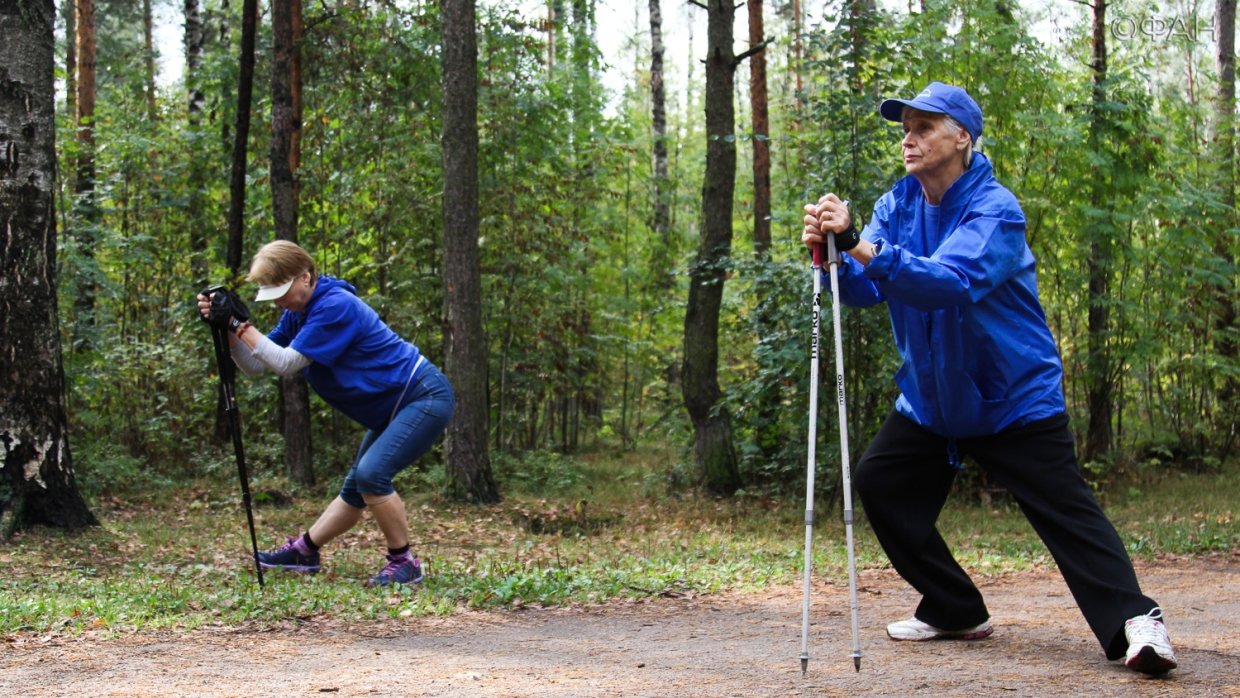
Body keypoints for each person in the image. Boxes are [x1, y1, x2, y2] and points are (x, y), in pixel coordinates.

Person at [801, 82, 1177, 675]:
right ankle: (954, 607)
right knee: (880, 482)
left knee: (1066, 513)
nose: (910, 136)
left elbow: (947, 282)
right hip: (933, 400)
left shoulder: (995, 210)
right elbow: (870, 288)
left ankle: (1138, 622)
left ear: (962, 138)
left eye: (926, 126)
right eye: (906, 126)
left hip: (1009, 397)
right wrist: (832, 260)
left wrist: (860, 246)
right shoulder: (898, 204)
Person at [198, 240, 454, 587]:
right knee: (357, 487)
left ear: (305, 277)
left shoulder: (334, 305)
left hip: (422, 395)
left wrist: (241, 326)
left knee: (372, 474)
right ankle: (305, 551)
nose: (278, 301)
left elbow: (287, 364)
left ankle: (405, 562)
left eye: (282, 291)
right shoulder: (296, 314)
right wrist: (228, 329)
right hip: (395, 406)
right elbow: (256, 365)